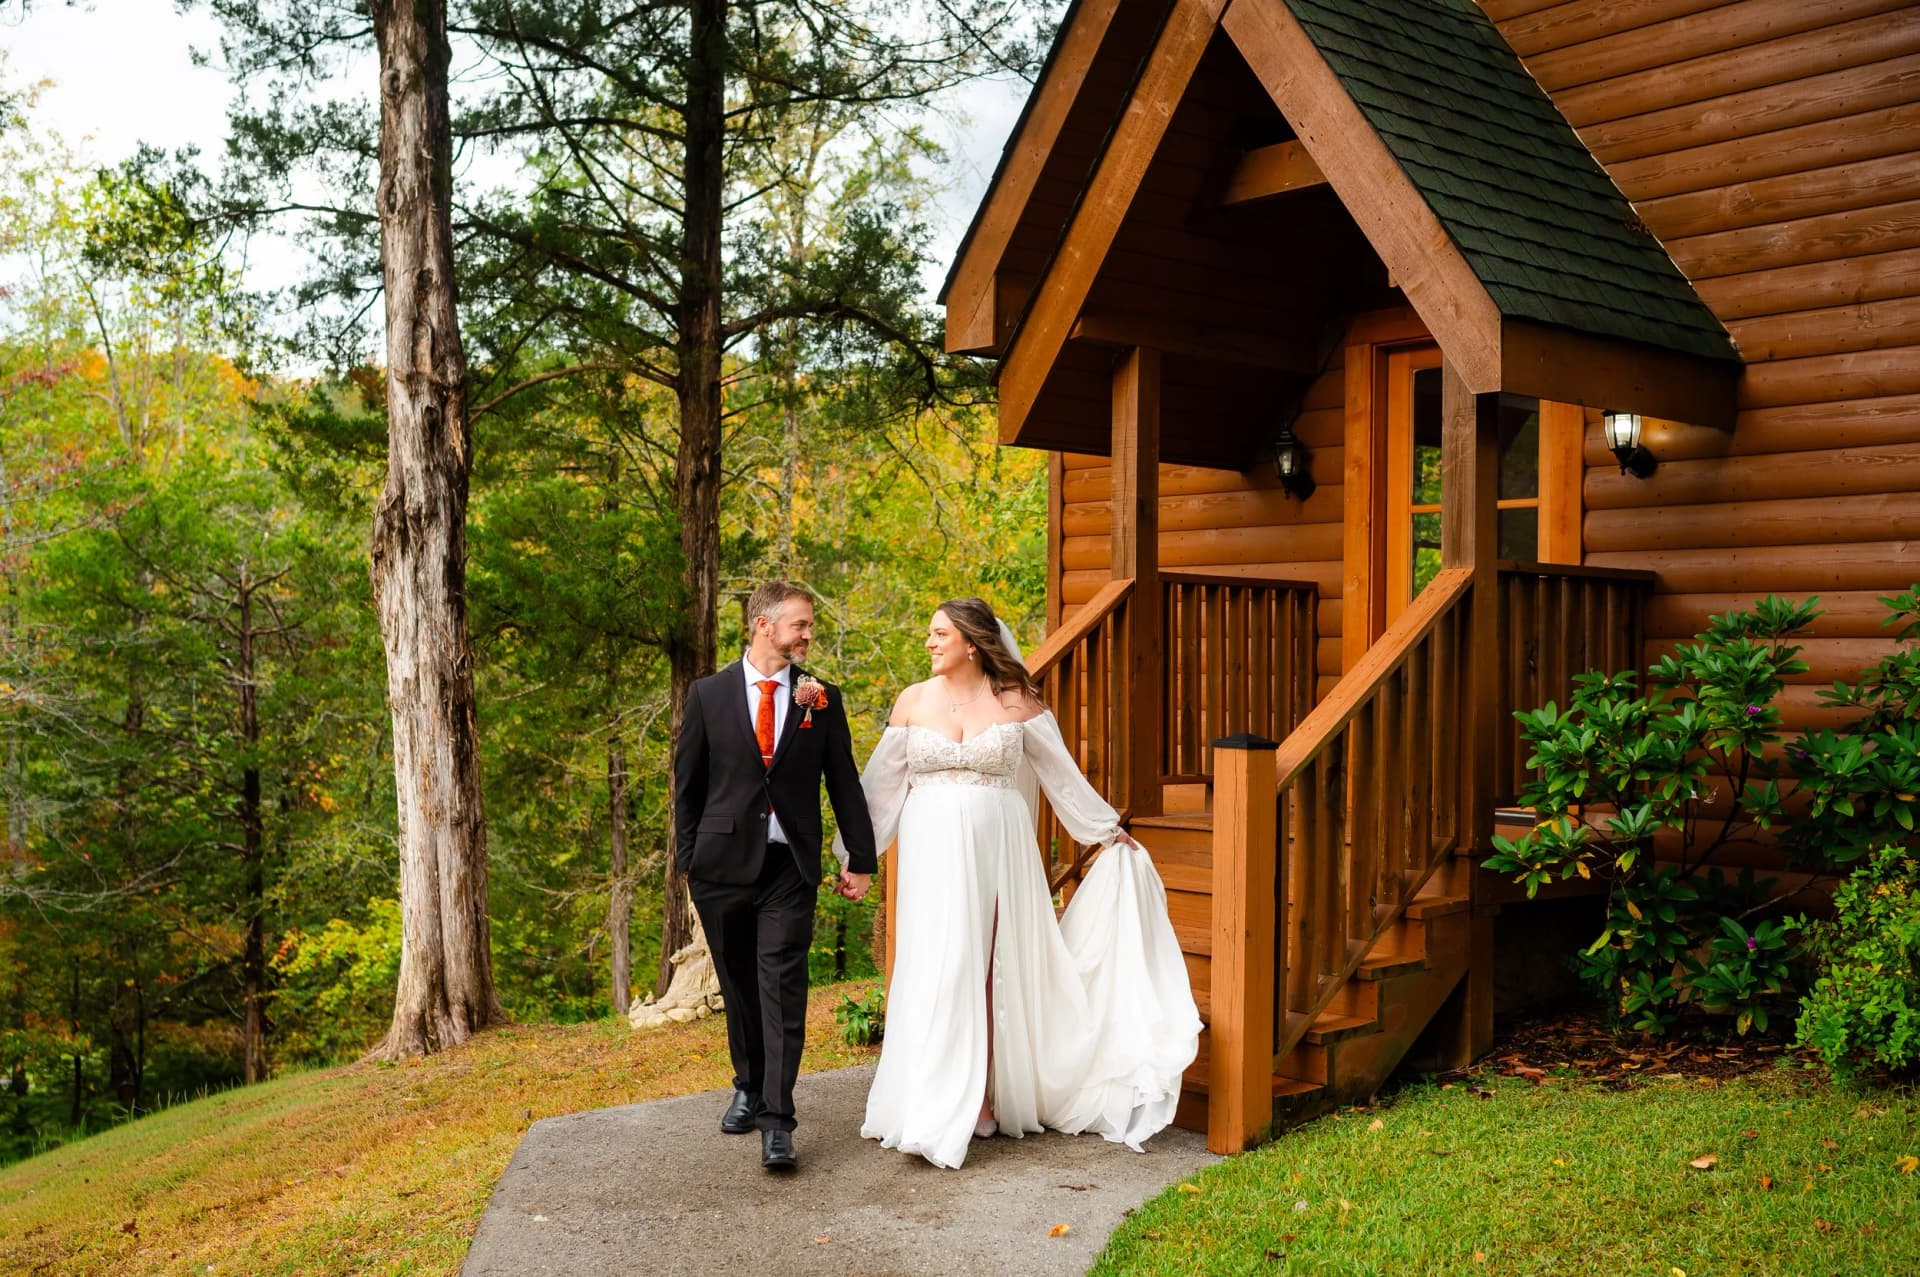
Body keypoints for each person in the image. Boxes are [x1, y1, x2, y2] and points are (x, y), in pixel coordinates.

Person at [835, 596, 1199, 1170]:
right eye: (930, 635)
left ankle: (981, 1097)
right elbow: (878, 789)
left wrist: (1106, 833)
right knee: (937, 965)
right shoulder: (912, 701)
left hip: (998, 851)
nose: (929, 643)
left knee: (986, 967)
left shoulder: (1017, 704)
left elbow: (1062, 777)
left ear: (973, 644)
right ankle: (927, 1099)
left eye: (939, 635)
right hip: (931, 854)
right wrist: (857, 859)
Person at [673, 580, 877, 1173]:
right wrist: (689, 859)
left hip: (790, 868)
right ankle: (748, 1082)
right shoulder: (708, 695)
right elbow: (687, 784)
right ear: (764, 625)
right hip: (720, 869)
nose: (809, 635)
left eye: (809, 626)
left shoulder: (821, 698)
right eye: (801, 625)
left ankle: (777, 1121)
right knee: (738, 986)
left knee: (782, 988)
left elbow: (843, 781)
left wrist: (858, 858)